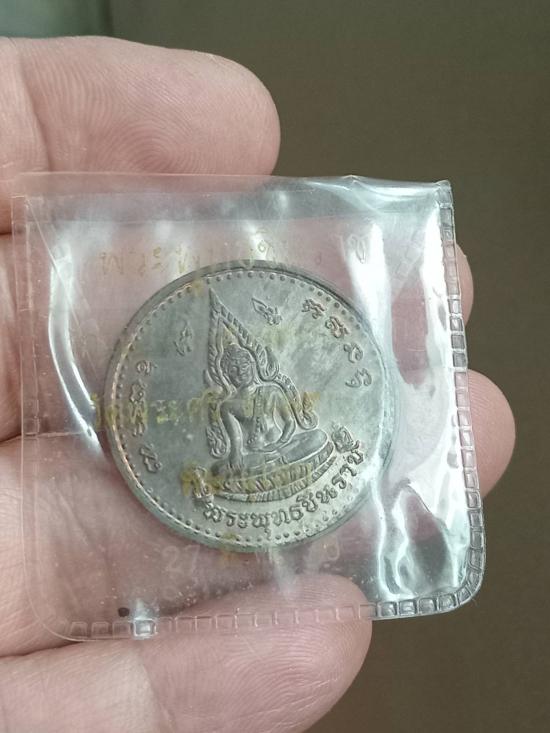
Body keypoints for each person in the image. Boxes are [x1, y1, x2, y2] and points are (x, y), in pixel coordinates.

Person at [0, 36, 515, 732]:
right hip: (245, 474)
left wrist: (285, 426)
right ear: (222, 367)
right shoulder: (222, 401)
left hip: (292, 458)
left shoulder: (273, 390)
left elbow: (299, 427)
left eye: (247, 364)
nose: (242, 372)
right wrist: (235, 440)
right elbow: (230, 448)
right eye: (232, 367)